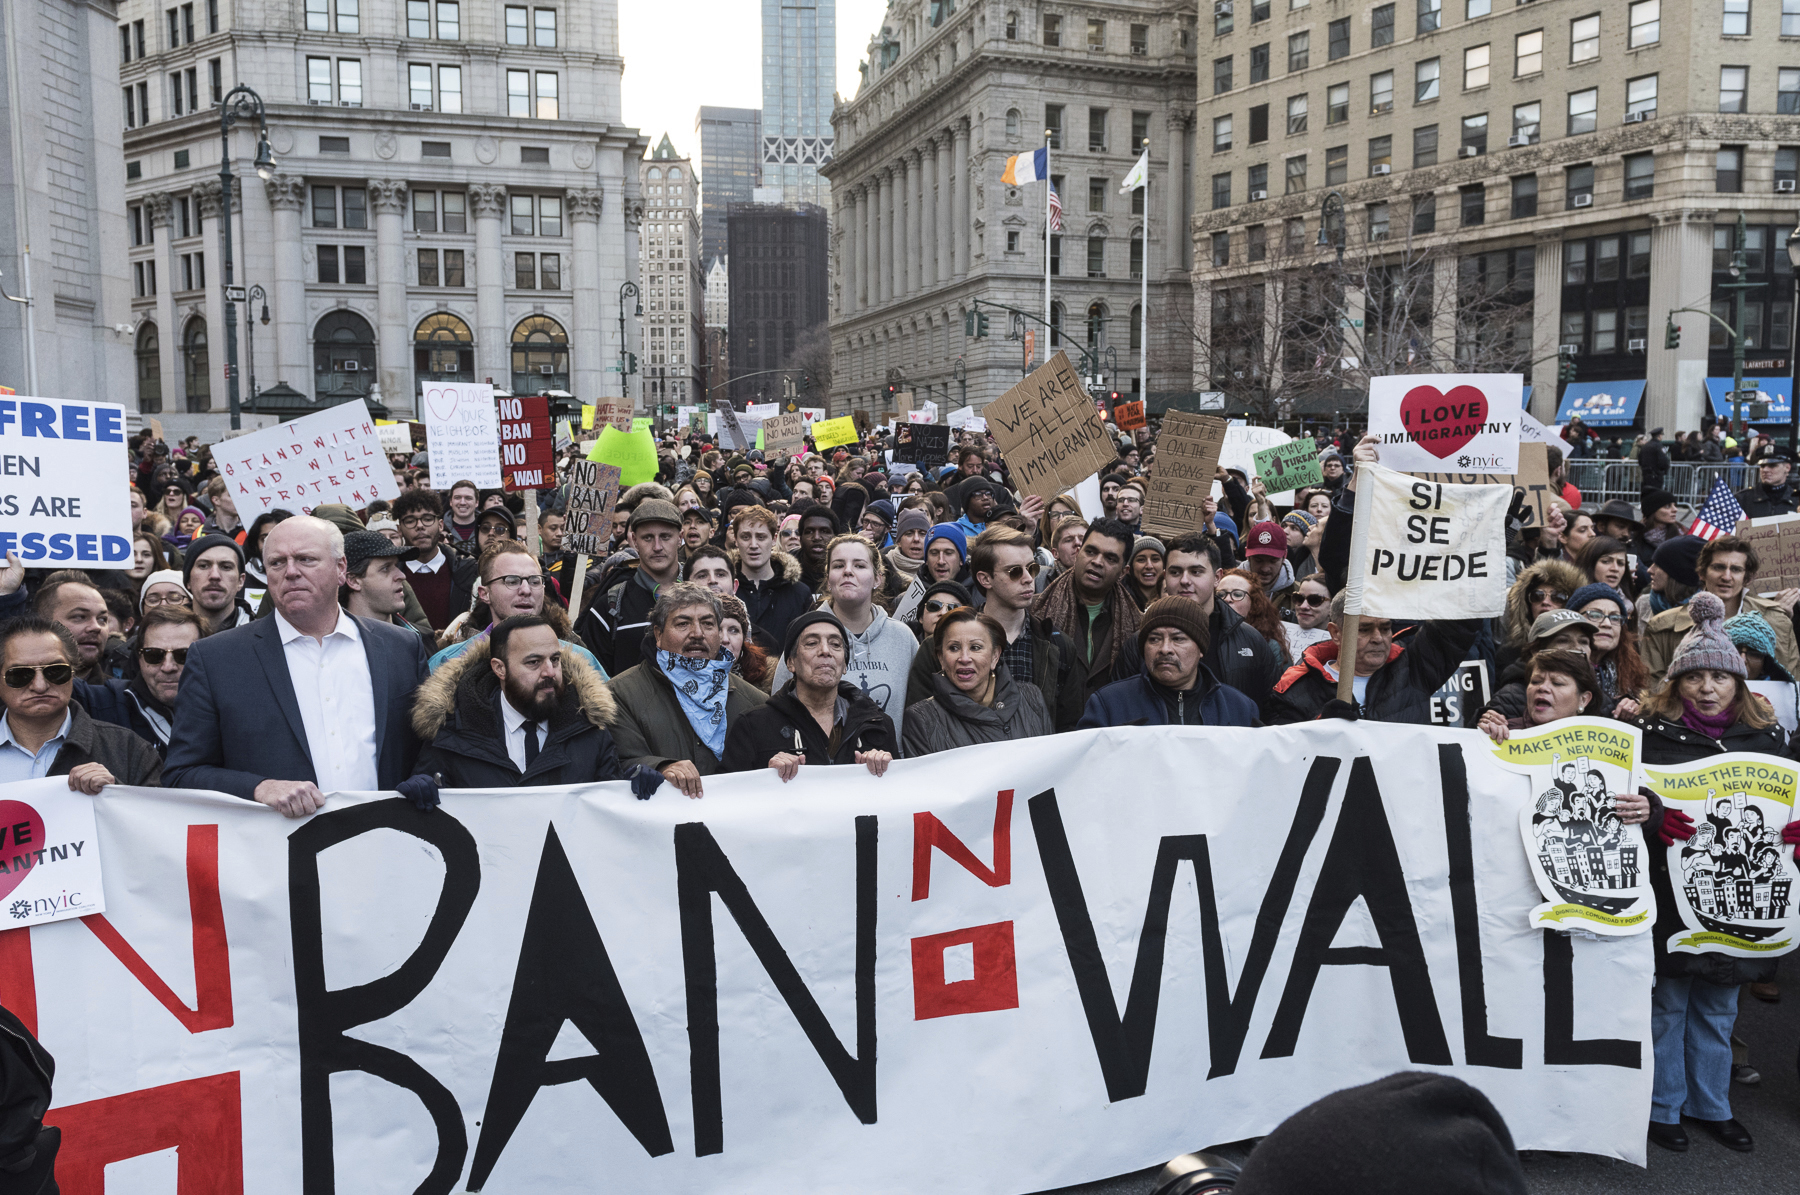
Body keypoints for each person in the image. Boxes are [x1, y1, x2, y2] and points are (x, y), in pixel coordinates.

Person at [1631, 591, 1792, 1154]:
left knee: (1721, 1006)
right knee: (1669, 1003)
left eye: (1718, 677)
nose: (1706, 686)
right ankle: (1662, 1106)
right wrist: (1653, 817)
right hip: (1671, 893)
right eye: (1694, 675)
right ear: (1675, 682)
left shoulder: (1769, 740)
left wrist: (1792, 830)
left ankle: (1712, 1105)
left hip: (1738, 897)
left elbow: (1785, 807)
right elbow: (1623, 803)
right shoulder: (1648, 737)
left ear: (1738, 684)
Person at [163, 515, 430, 815]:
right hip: (278, 851)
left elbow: (430, 752)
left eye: (306, 559)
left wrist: (423, 779)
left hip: (385, 842)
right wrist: (260, 788)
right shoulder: (216, 659)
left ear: (341, 569)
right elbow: (181, 774)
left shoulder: (400, 648)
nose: (291, 572)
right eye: (277, 563)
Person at [409, 613, 625, 788]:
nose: (550, 672)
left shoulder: (589, 728)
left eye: (555, 659)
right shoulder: (454, 730)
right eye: (534, 662)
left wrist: (630, 788)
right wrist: (421, 793)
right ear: (499, 668)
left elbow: (608, 809)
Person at [905, 526, 1084, 731]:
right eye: (1015, 571)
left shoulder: (1057, 644)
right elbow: (919, 723)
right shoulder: (940, 645)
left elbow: (1069, 728)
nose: (1028, 578)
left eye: (1032, 568)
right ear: (985, 579)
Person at [606, 584, 768, 797]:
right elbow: (615, 763)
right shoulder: (618, 694)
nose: (697, 634)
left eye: (708, 624)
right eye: (683, 624)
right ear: (658, 633)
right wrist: (660, 767)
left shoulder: (757, 703)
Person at [770, 535, 918, 741]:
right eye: (839, 565)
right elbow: (777, 708)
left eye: (859, 565)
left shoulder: (902, 638)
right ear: (828, 578)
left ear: (878, 579)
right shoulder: (803, 635)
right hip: (819, 766)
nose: (848, 571)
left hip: (888, 765)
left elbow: (918, 711)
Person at [722, 610, 898, 777]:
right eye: (812, 643)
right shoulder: (754, 726)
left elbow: (899, 798)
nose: (825, 651)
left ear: (844, 665)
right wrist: (766, 776)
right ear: (791, 663)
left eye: (835, 644)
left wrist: (887, 772)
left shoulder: (878, 726)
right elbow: (731, 796)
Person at [1267, 588, 1482, 724]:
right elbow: (1285, 762)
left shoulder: (1412, 669)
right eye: (1364, 629)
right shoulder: (1297, 690)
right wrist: (1321, 726)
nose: (1378, 638)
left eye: (1386, 628)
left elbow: (1460, 623)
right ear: (1336, 633)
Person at [0, 617, 162, 790]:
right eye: (19, 675)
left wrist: (116, 793)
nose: (39, 686)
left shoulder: (129, 750)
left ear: (73, 672)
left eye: (56, 671)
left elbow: (155, 814)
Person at [1079, 597, 1260, 728]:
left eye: (1178, 639)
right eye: (1154, 639)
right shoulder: (1108, 704)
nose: (1165, 649)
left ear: (1201, 649)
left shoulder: (1239, 709)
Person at [1642, 535, 1800, 681]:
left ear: (1748, 578)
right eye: (1718, 567)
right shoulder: (1662, 626)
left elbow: (1791, 687)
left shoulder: (1776, 621)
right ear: (1702, 573)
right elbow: (1653, 691)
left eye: (1736, 569)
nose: (1726, 577)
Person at [902, 607, 1054, 755]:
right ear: (941, 658)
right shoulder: (921, 719)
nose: (964, 658)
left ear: (995, 655)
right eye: (954, 648)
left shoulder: (1031, 698)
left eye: (975, 647)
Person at [1031, 518, 1142, 701]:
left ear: (1123, 572)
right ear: (1079, 552)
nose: (1097, 562)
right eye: (1090, 551)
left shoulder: (1138, 624)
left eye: (1110, 558)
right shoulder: (1035, 610)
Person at [76, 605, 208, 759]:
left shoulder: (226, 713)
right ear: (139, 659)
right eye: (154, 655)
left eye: (183, 655)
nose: (168, 667)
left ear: (203, 658)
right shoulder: (106, 703)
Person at [587, 499, 684, 678]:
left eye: (665, 536)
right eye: (647, 538)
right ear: (634, 540)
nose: (657, 547)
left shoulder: (704, 596)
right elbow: (596, 683)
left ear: (680, 538)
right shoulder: (609, 605)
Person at [1479, 609, 1601, 723]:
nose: (1578, 648)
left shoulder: (1601, 697)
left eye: (1584, 642)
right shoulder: (1511, 698)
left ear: (1585, 699)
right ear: (1536, 650)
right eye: (1563, 641)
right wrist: (1487, 723)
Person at [393, 490, 480, 631]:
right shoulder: (390, 574)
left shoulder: (468, 569)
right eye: (410, 521)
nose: (419, 526)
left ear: (440, 525)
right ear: (400, 529)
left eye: (427, 519)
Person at [730, 505, 812, 648]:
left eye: (761, 537)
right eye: (745, 537)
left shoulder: (799, 593)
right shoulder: (724, 589)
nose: (753, 545)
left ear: (774, 539)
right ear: (736, 540)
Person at [341, 530, 430, 635]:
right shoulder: (334, 646)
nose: (402, 576)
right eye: (385, 568)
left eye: (396, 565)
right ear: (354, 581)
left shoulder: (421, 640)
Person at [34, 573, 112, 683]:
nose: (96, 627)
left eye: (102, 619)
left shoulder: (122, 697)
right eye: (79, 617)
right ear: (44, 622)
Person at [1216, 568, 1293, 668]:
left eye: (1237, 594)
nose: (1227, 599)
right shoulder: (1205, 636)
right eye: (1221, 594)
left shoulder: (1270, 647)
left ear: (1254, 603)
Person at [182, 533, 252, 633]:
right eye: (203, 566)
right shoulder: (164, 637)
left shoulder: (264, 636)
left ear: (241, 581)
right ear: (188, 579)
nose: (214, 576)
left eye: (226, 567)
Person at [717, 594, 775, 692]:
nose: (725, 639)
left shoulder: (767, 679)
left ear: (744, 638)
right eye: (718, 630)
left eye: (734, 630)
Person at [1239, 521, 1294, 610]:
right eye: (1258, 560)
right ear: (1247, 555)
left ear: (1285, 556)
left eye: (1273, 561)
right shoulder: (1229, 589)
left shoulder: (1299, 595)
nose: (1265, 569)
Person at [1735, 450, 1799, 517]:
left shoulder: (1797, 500)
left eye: (1772, 465)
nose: (1765, 470)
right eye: (1762, 466)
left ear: (1787, 468)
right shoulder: (1742, 499)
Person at [443, 479, 482, 550]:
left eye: (468, 498)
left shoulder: (487, 529)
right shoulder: (439, 530)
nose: (462, 502)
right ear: (451, 502)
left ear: (477, 502)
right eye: (457, 498)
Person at [1127, 537, 1164, 610]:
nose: (1149, 566)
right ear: (1130, 567)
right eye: (1141, 560)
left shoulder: (1174, 596)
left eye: (1155, 559)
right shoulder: (1117, 599)